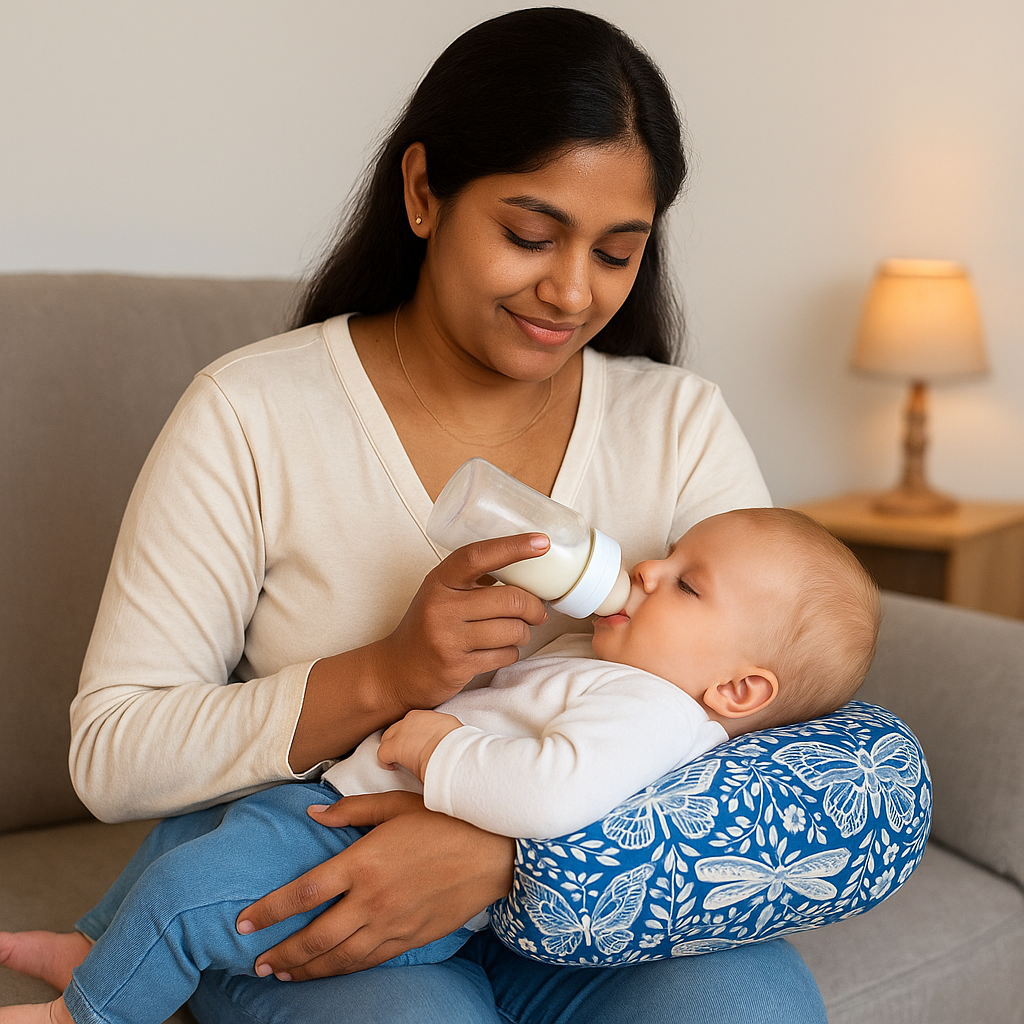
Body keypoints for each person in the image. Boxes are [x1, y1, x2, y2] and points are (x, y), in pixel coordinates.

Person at [0, 8, 837, 1023]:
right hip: (338, 882)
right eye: (530, 234)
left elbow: (781, 733)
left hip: (588, 912)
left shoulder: (674, 421)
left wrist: (505, 853)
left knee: (746, 1005)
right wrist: (386, 677)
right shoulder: (254, 412)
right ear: (423, 190)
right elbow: (115, 752)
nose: (571, 291)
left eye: (618, 253)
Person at [0, 507, 880, 1024]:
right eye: (671, 555)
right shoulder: (622, 670)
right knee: (188, 829)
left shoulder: (650, 707)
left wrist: (441, 747)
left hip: (354, 848)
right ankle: (94, 948)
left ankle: (90, 1014)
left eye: (687, 583)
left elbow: (552, 790)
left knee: (190, 893)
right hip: (328, 798)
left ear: (739, 689)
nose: (648, 566)